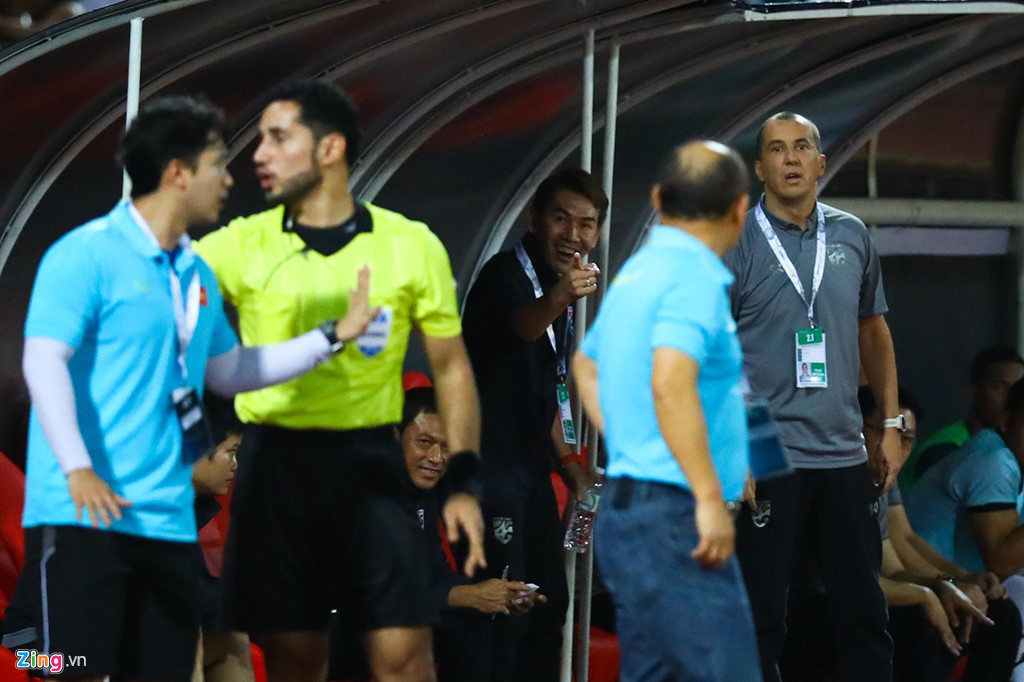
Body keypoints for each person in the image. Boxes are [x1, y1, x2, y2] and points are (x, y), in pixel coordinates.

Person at [17, 95, 377, 682]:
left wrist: (332, 336)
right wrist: (78, 468)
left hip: (166, 519)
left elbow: (230, 370)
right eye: (217, 165)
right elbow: (43, 360)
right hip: (86, 512)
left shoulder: (196, 273)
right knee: (69, 665)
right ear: (177, 173)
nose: (230, 180)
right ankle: (22, 659)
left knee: (162, 667)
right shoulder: (86, 254)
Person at [194, 80, 485, 682]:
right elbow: (163, 320)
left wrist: (462, 480)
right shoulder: (236, 246)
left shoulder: (410, 245)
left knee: (404, 658)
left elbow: (452, 366)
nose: (258, 154)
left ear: (329, 149)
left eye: (279, 139)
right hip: (275, 471)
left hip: (370, 466)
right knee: (297, 660)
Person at [574, 140, 760, 681]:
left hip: (633, 510)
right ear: (740, 208)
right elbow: (671, 383)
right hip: (676, 515)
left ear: (657, 200)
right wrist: (706, 496)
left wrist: (636, 441)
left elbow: (586, 367)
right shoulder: (693, 277)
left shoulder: (638, 272)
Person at [724, 111, 898, 682]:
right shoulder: (734, 239)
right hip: (766, 451)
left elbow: (873, 328)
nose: (791, 158)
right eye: (777, 149)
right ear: (759, 168)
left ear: (821, 162)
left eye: (802, 147)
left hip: (844, 450)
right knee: (761, 617)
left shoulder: (852, 234)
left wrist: (890, 425)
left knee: (864, 611)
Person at [460, 167, 605, 680]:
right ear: (535, 219)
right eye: (561, 219)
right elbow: (521, 327)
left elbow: (549, 389)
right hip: (487, 472)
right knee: (507, 608)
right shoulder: (504, 276)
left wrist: (571, 464)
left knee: (549, 607)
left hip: (530, 474)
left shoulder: (554, 289)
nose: (573, 235)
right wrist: (561, 297)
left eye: (587, 224)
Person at [329, 385, 544, 682]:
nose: (437, 457)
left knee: (475, 623)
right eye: (425, 442)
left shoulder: (421, 495)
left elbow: (434, 572)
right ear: (393, 437)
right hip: (335, 624)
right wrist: (467, 596)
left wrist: (496, 595)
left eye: (446, 447)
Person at [861, 386, 1020, 682]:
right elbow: (854, 580)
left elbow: (902, 544)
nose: (895, 446)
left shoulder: (884, 477)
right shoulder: (992, 461)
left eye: (906, 438)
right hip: (839, 602)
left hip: (890, 585)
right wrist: (934, 590)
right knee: (925, 621)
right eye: (887, 432)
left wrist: (957, 579)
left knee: (1002, 614)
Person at [900, 345, 1024, 496]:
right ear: (973, 392)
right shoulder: (943, 450)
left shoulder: (1006, 450)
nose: (1011, 396)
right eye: (998, 386)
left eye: (1018, 388)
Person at [191, 396, 253, 682]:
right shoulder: (157, 517)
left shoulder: (200, 510)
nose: (235, 465)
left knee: (232, 638)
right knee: (184, 637)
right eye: (231, 452)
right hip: (55, 653)